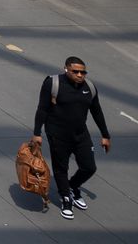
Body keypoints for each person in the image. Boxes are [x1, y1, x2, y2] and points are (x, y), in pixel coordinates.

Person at [34, 56, 112, 219]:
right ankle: (66, 199)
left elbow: (96, 111)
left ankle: (73, 186)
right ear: (66, 69)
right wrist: (37, 133)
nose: (79, 75)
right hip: (57, 134)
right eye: (75, 71)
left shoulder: (89, 87)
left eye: (83, 72)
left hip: (80, 134)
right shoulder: (52, 83)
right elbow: (42, 109)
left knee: (89, 167)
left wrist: (105, 135)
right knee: (61, 168)